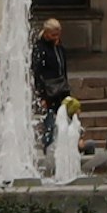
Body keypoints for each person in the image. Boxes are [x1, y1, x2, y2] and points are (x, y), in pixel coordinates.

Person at [30, 16, 70, 154]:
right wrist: (41, 95)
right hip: (48, 90)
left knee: (65, 117)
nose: (56, 37)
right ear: (46, 33)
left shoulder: (59, 46)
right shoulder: (40, 48)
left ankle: (63, 146)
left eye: (58, 34)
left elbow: (63, 68)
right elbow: (37, 72)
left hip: (61, 88)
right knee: (50, 119)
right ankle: (48, 146)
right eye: (53, 34)